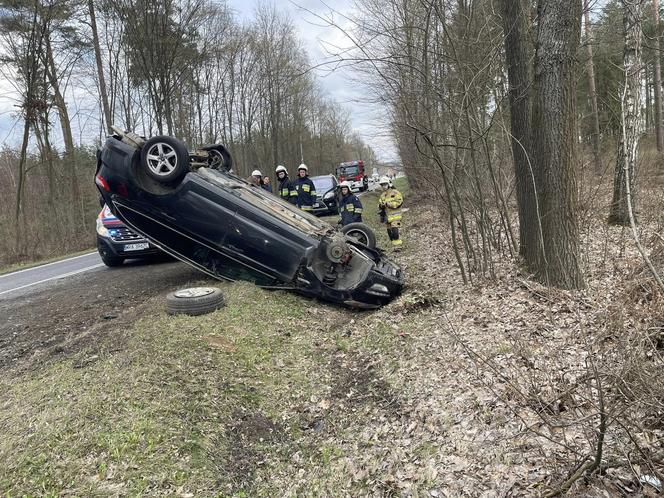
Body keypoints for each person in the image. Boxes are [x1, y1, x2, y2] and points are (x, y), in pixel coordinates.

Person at [378, 176, 404, 250]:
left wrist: (388, 204)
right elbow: (380, 204)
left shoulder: (395, 192)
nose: (384, 186)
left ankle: (398, 246)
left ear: (389, 184)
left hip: (395, 216)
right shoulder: (382, 195)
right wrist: (381, 206)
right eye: (382, 185)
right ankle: (394, 246)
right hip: (387, 217)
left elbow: (399, 202)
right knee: (390, 233)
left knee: (395, 231)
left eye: (385, 184)